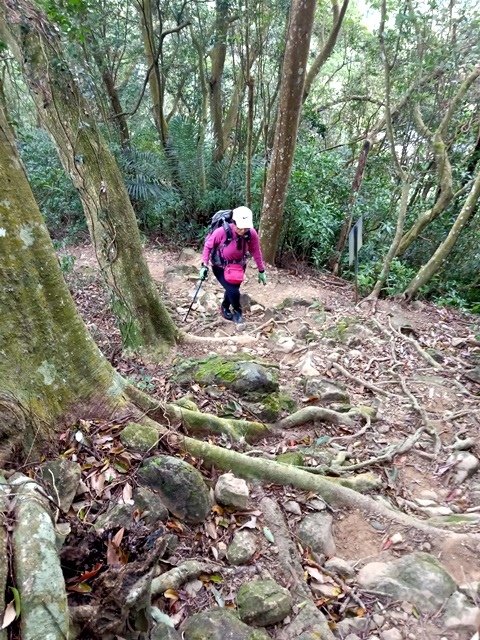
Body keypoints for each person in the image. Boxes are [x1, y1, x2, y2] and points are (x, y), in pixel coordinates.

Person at [199, 206, 267, 324]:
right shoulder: (221, 232)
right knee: (233, 291)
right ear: (233, 223)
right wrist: (204, 265)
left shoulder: (251, 234)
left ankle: (225, 306)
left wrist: (261, 270)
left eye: (245, 228)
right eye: (240, 228)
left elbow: (256, 251)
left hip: (239, 267)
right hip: (220, 266)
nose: (242, 231)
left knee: (231, 289)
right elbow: (208, 246)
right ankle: (237, 311)